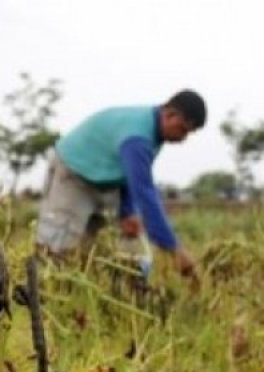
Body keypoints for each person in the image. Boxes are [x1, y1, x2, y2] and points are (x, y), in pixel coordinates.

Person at [36, 89, 207, 278]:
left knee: (87, 252)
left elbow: (127, 174)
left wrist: (128, 212)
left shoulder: (153, 133)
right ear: (170, 114)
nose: (183, 138)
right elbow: (145, 194)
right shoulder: (138, 138)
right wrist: (174, 250)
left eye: (189, 133)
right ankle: (41, 291)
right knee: (57, 246)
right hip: (74, 172)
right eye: (182, 129)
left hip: (99, 178)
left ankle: (72, 297)